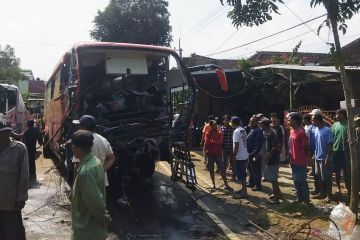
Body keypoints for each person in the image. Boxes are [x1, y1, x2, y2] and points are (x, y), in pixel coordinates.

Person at [71, 130, 108, 240]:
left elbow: (95, 202)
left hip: (87, 231)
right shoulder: (95, 162)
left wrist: (104, 218)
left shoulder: (86, 172)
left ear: (75, 148)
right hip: (93, 229)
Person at [0, 122, 29, 240]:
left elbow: (24, 175)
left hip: (10, 201)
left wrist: (22, 197)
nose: (4, 135)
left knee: (12, 233)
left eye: (7, 132)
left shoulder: (19, 149)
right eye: (2, 133)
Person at [288, 112, 310, 204]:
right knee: (296, 181)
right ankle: (299, 198)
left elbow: (306, 147)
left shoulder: (301, 132)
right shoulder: (292, 131)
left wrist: (307, 159)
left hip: (300, 161)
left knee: (302, 181)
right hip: (293, 160)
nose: (288, 121)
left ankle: (306, 200)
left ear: (295, 121)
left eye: (290, 119)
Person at [204, 120, 233, 191]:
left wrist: (212, 141)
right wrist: (214, 141)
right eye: (214, 125)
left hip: (218, 153)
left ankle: (226, 184)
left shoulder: (219, 132)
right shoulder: (208, 132)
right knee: (211, 169)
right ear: (211, 126)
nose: (215, 126)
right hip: (210, 153)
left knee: (222, 169)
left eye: (216, 124)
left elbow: (220, 142)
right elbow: (207, 142)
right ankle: (213, 184)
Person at [311, 113, 333, 202]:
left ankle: (329, 196)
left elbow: (330, 145)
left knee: (327, 177)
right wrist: (314, 154)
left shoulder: (328, 130)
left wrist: (328, 157)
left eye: (313, 120)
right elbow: (316, 143)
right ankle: (322, 193)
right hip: (317, 156)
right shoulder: (316, 130)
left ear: (318, 120)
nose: (312, 121)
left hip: (325, 158)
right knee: (319, 176)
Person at [260, 118, 282, 204]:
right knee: (273, 178)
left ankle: (276, 200)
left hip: (273, 159)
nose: (260, 125)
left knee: (273, 180)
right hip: (272, 158)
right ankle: (278, 194)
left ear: (265, 125)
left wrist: (268, 154)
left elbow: (276, 146)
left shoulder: (270, 133)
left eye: (261, 124)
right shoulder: (269, 132)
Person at [332, 109, 349, 194]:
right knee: (337, 171)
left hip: (347, 152)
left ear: (342, 115)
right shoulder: (335, 125)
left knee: (347, 171)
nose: (336, 116)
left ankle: (347, 187)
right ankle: (338, 188)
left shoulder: (349, 125)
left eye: (337, 114)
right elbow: (332, 138)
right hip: (336, 151)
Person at [231, 117, 249, 199]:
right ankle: (243, 189)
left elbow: (236, 145)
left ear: (233, 123)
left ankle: (244, 193)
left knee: (241, 175)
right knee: (243, 173)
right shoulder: (242, 129)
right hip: (245, 155)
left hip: (240, 156)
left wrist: (234, 155)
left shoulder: (236, 131)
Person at [23, 119, 43, 188]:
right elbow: (39, 138)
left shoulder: (27, 131)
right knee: (32, 161)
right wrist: (41, 143)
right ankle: (32, 173)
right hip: (32, 148)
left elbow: (22, 137)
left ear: (28, 125)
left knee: (28, 160)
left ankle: (30, 173)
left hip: (27, 148)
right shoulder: (36, 129)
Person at [247, 116, 264, 191]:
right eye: (250, 121)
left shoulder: (258, 131)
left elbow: (258, 144)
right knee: (251, 168)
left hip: (255, 154)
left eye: (252, 121)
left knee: (256, 169)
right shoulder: (252, 130)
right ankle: (251, 182)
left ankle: (258, 185)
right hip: (251, 153)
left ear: (257, 122)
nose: (250, 123)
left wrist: (253, 153)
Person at [307, 110, 320, 195]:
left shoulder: (321, 128)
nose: (311, 119)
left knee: (319, 174)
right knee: (315, 173)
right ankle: (317, 189)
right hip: (312, 151)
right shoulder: (312, 127)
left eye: (313, 117)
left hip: (318, 152)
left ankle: (321, 190)